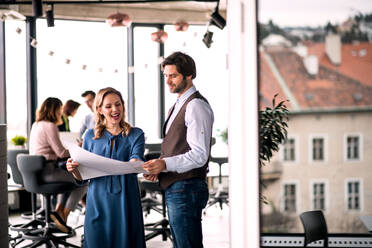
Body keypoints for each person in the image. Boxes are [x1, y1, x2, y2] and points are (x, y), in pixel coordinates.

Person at [142, 51, 214, 248]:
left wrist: (164, 163)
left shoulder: (196, 105)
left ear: (189, 75)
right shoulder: (179, 105)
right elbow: (178, 147)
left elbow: (199, 155)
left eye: (173, 76)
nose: (168, 81)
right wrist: (160, 168)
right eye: (166, 76)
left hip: (187, 188)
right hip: (178, 187)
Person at [66, 87, 146, 248]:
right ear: (100, 110)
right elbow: (82, 177)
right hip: (97, 201)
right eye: (108, 106)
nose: (115, 109)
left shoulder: (136, 134)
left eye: (118, 104)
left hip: (126, 201)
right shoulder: (89, 136)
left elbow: (136, 160)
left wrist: (134, 163)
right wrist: (74, 169)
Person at [29, 97, 88, 233]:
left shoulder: (36, 124)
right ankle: (63, 216)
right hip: (48, 172)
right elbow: (61, 153)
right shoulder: (50, 126)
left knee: (69, 176)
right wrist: (78, 148)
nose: (61, 112)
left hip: (36, 172)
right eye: (60, 109)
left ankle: (58, 212)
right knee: (84, 179)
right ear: (54, 110)